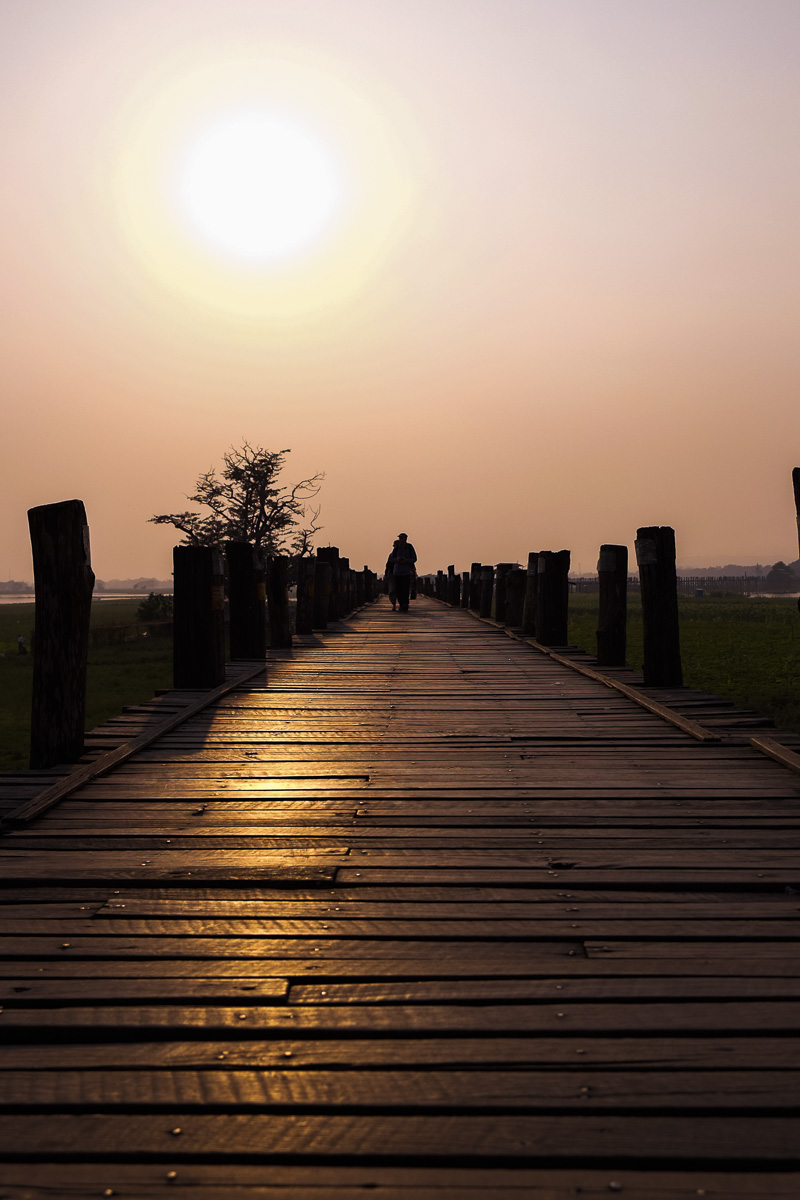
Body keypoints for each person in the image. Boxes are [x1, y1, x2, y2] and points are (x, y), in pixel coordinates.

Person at [388, 532, 417, 612]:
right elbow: (391, 558)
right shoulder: (397, 548)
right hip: (397, 572)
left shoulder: (410, 547)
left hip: (406, 572)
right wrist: (397, 560)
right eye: (399, 538)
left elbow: (414, 558)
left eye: (402, 538)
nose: (400, 540)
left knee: (405, 589)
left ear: (405, 539)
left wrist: (406, 561)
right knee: (399, 589)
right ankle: (401, 603)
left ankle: (405, 604)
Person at [385, 540, 399, 610]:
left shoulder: (404, 554)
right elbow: (388, 565)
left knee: (400, 590)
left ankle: (402, 604)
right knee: (392, 590)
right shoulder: (391, 555)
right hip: (392, 574)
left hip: (401, 574)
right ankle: (394, 604)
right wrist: (386, 574)